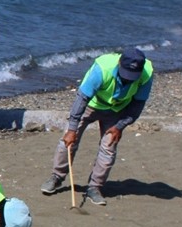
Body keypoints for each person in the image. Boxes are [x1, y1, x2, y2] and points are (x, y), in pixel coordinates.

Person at [40, 48, 153, 206]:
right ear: (119, 63)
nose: (128, 80)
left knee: (109, 147)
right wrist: (72, 129)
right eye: (125, 74)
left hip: (116, 109)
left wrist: (120, 126)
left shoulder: (146, 74)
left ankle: (94, 187)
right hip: (91, 105)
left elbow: (137, 105)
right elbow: (82, 99)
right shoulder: (102, 68)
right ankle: (56, 177)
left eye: (132, 77)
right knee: (68, 141)